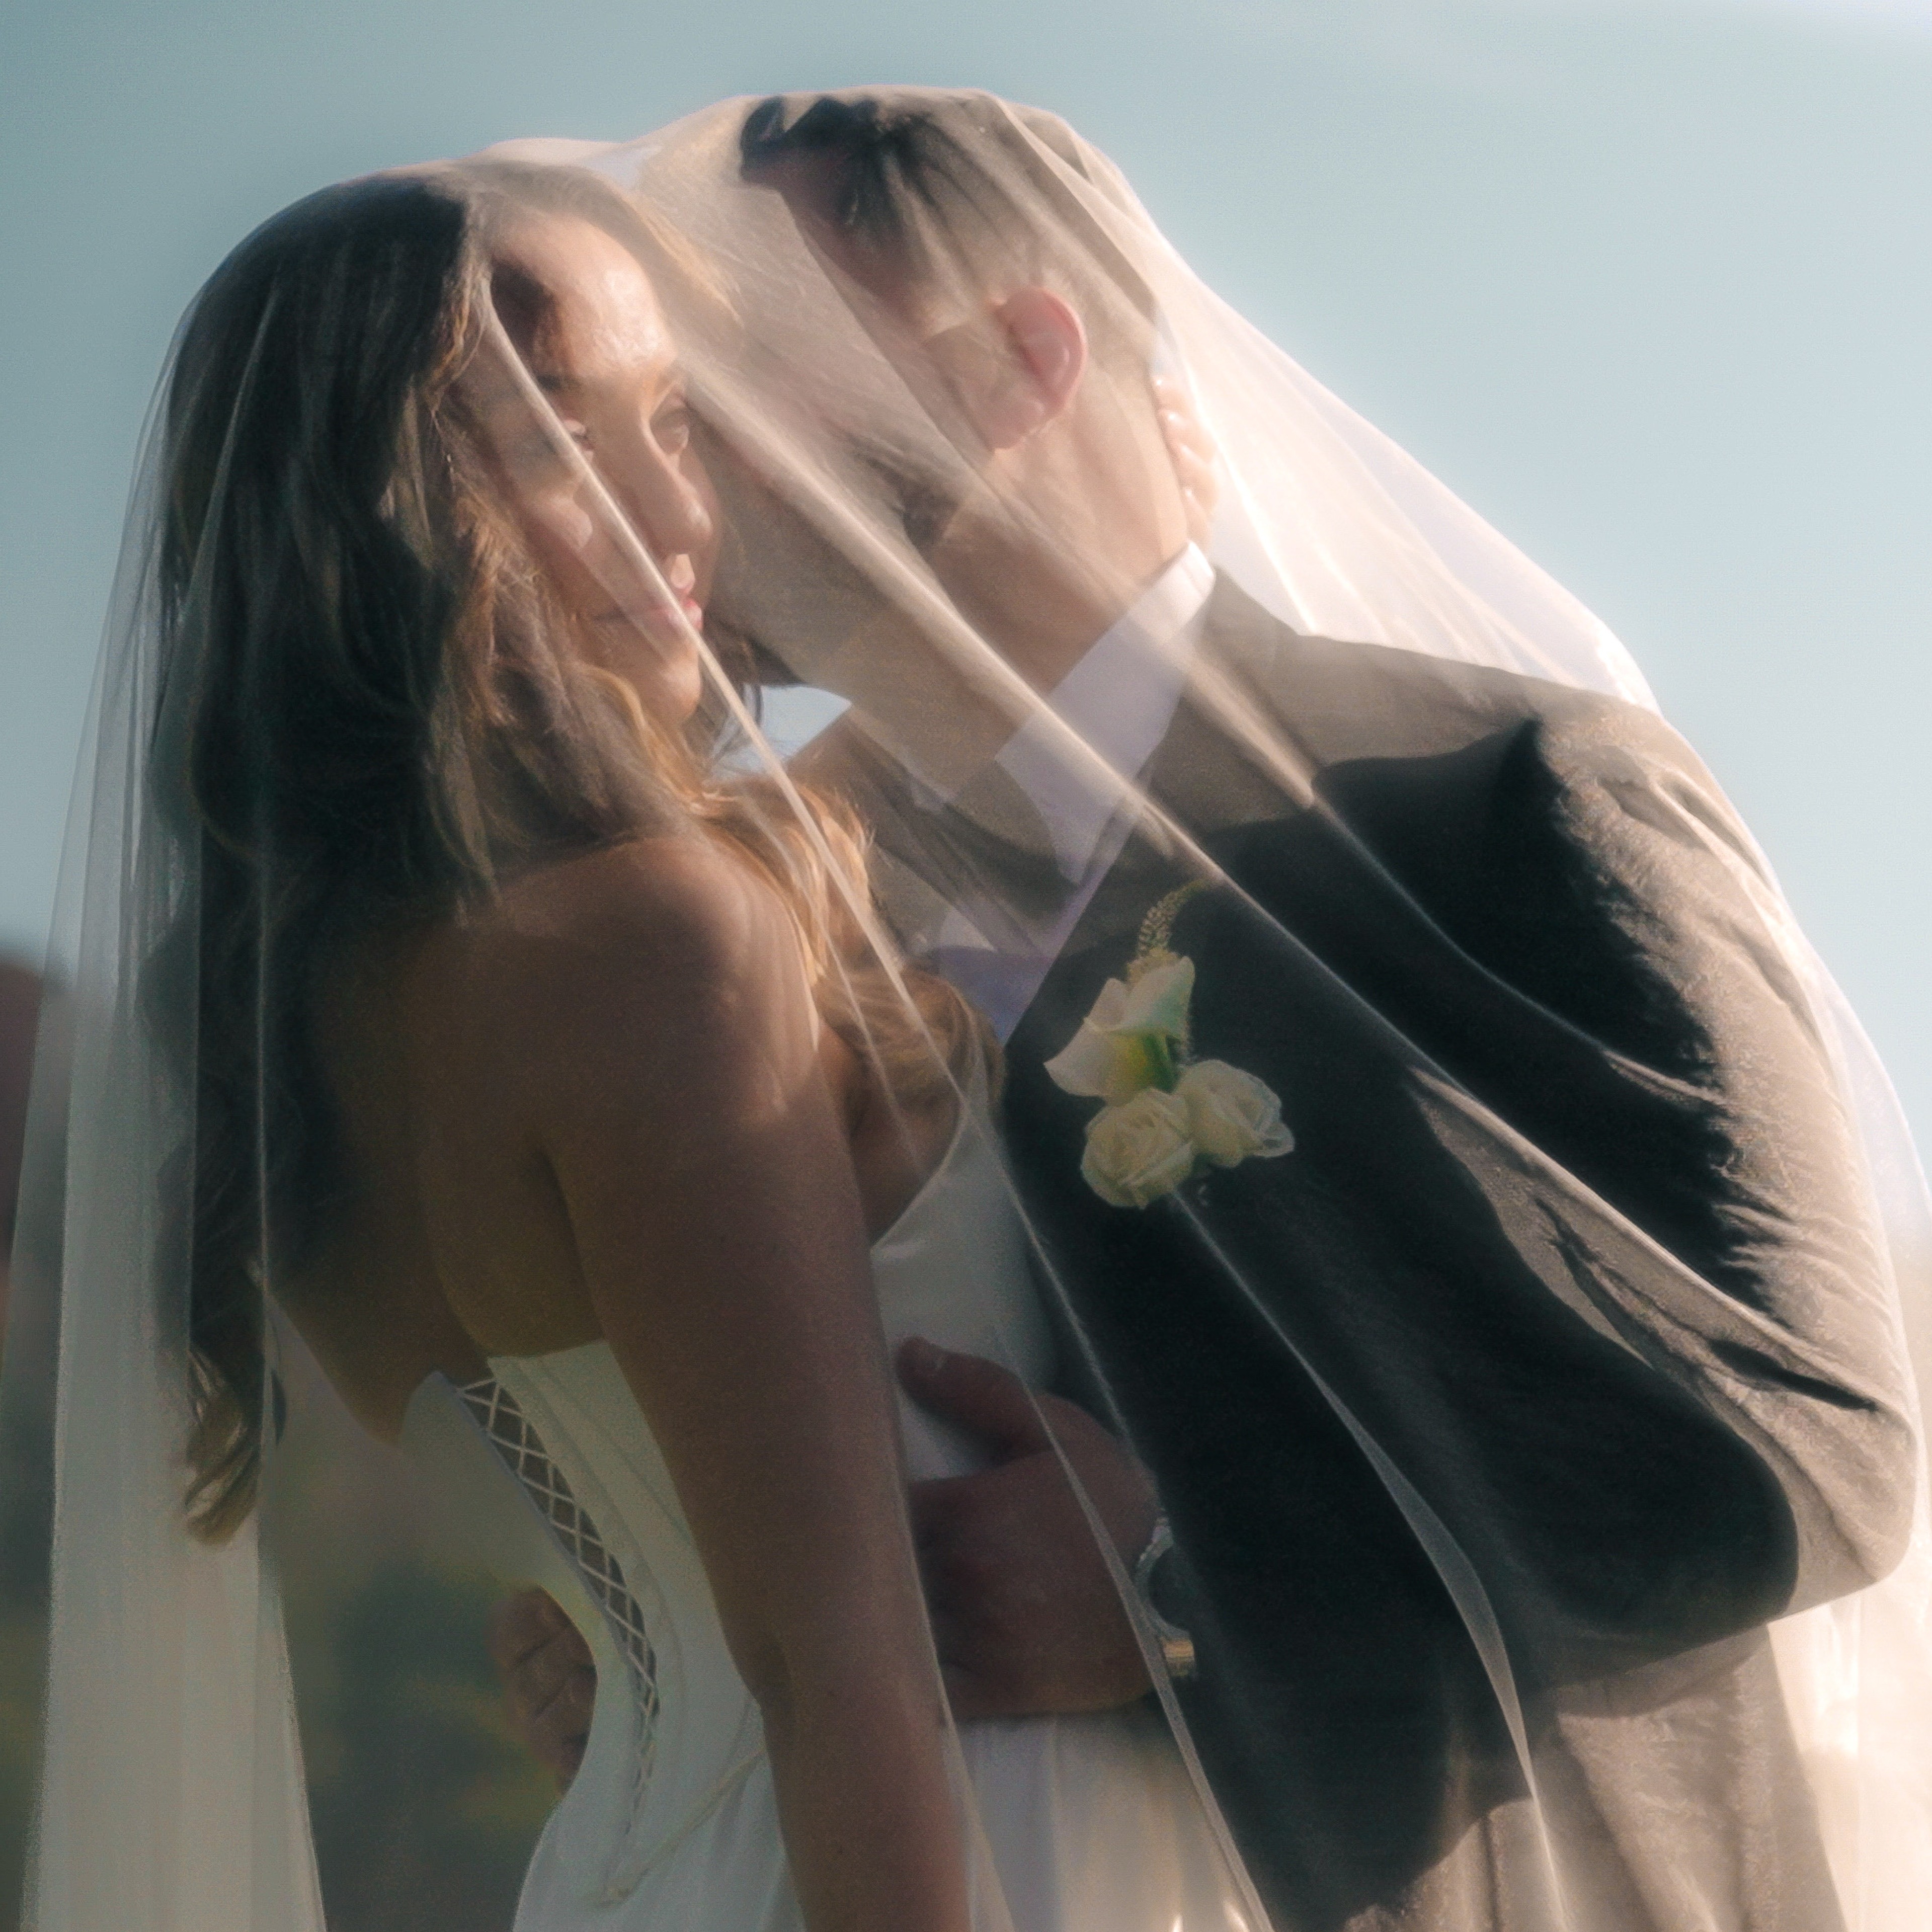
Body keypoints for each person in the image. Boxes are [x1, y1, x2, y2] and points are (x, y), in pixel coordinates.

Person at [485, 87, 1932, 1932]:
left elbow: (1813, 1442)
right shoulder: (761, 934)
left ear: (1018, 359)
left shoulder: (1506, 790)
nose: (668, 476)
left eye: (740, 373)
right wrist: (685, 1648)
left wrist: (1182, 1578)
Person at [4, 152, 1251, 1932]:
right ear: (400, 504)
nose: (685, 505)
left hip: (626, 1867)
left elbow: (625, 1562)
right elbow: (837, 1670)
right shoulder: (658, 948)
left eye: (682, 421)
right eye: (570, 436)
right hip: (930, 1860)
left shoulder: (291, 1033)